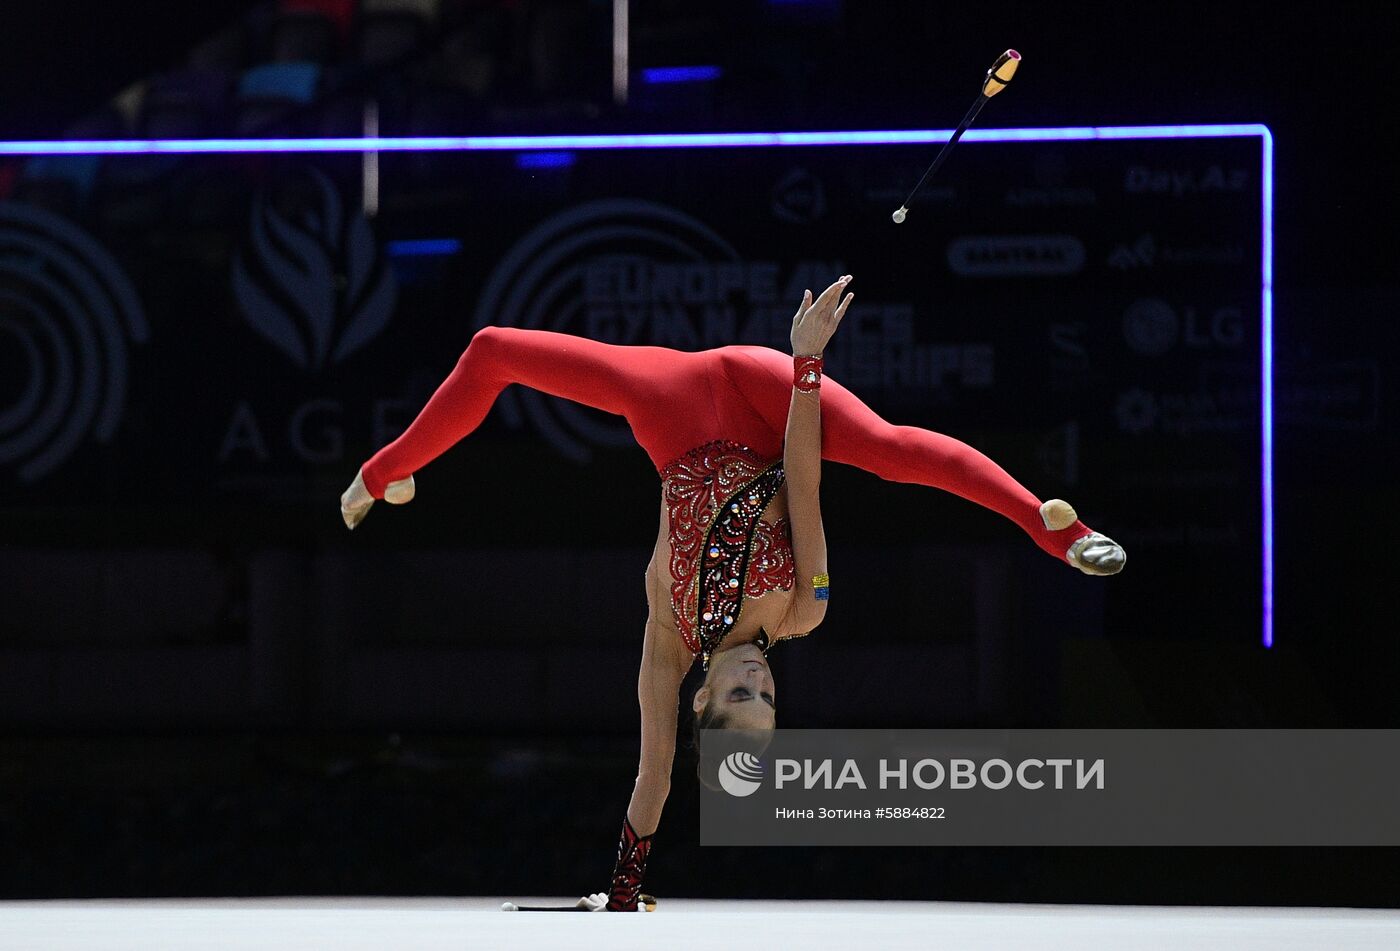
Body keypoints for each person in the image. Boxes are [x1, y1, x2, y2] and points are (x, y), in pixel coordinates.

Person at [338, 275, 1125, 910]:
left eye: (740, 695)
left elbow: (656, 775)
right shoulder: (805, 608)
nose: (759, 683)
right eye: (768, 698)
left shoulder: (667, 646)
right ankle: (1063, 533)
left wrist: (621, 889)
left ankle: (383, 473)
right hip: (762, 407)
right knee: (882, 451)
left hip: (670, 409)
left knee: (493, 347)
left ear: (704, 694)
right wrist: (806, 364)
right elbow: (805, 482)